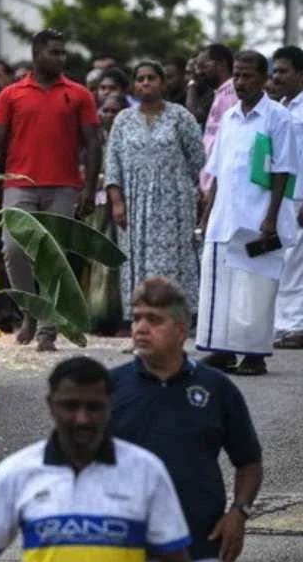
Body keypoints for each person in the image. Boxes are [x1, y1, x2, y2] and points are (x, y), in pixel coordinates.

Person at [0, 356, 194, 562]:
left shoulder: (146, 471)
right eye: (70, 406)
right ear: (51, 404)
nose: (82, 419)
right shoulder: (17, 471)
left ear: (110, 406)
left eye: (94, 407)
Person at [111, 277, 263, 562]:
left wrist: (239, 512)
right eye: (136, 317)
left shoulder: (217, 389)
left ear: (182, 330)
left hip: (199, 549)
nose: (141, 328)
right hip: (121, 550)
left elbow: (249, 462)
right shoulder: (109, 387)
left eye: (154, 320)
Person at [0, 29, 102, 351]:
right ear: (37, 54)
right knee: (14, 250)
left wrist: (89, 188)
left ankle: (48, 328)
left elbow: (93, 142)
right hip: (18, 184)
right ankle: (30, 311)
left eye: (63, 53)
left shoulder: (78, 94)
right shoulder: (11, 94)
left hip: (63, 187)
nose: (61, 58)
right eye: (55, 52)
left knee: (54, 255)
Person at [197, 51, 299, 376]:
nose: (240, 83)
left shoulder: (277, 117)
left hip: (257, 218)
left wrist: (270, 219)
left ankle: (254, 356)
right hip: (225, 216)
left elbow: (283, 170)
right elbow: (217, 171)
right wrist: (208, 211)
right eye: (237, 76)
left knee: (255, 287)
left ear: (263, 78)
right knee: (222, 285)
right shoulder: (228, 118)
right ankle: (223, 351)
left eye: (248, 76)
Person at [105, 60, 205, 336]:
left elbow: (198, 158)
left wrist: (184, 188)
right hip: (134, 202)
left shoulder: (180, 116)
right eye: (140, 79)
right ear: (134, 85)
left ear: (162, 83)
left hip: (174, 200)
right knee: (135, 256)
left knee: (176, 255)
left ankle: (178, 317)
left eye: (151, 78)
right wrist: (117, 201)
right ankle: (140, 319)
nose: (146, 83)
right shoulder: (123, 120)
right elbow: (112, 163)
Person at [81, 92, 129, 335]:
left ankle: (118, 317)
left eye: (115, 111)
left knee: (114, 261)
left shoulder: (126, 139)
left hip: (119, 205)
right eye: (106, 110)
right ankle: (96, 316)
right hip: (97, 206)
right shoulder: (95, 139)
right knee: (95, 261)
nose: (109, 115)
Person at [269, 46, 303, 350]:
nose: (276, 77)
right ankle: (281, 324)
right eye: (274, 71)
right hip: (284, 195)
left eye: (283, 71)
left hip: (302, 195)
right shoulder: (280, 107)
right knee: (283, 260)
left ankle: (296, 325)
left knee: (297, 262)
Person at [198, 44, 236, 194]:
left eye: (203, 66)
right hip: (209, 183)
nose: (199, 72)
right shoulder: (220, 93)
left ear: (221, 64)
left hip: (219, 186)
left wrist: (214, 185)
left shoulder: (231, 94)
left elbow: (228, 144)